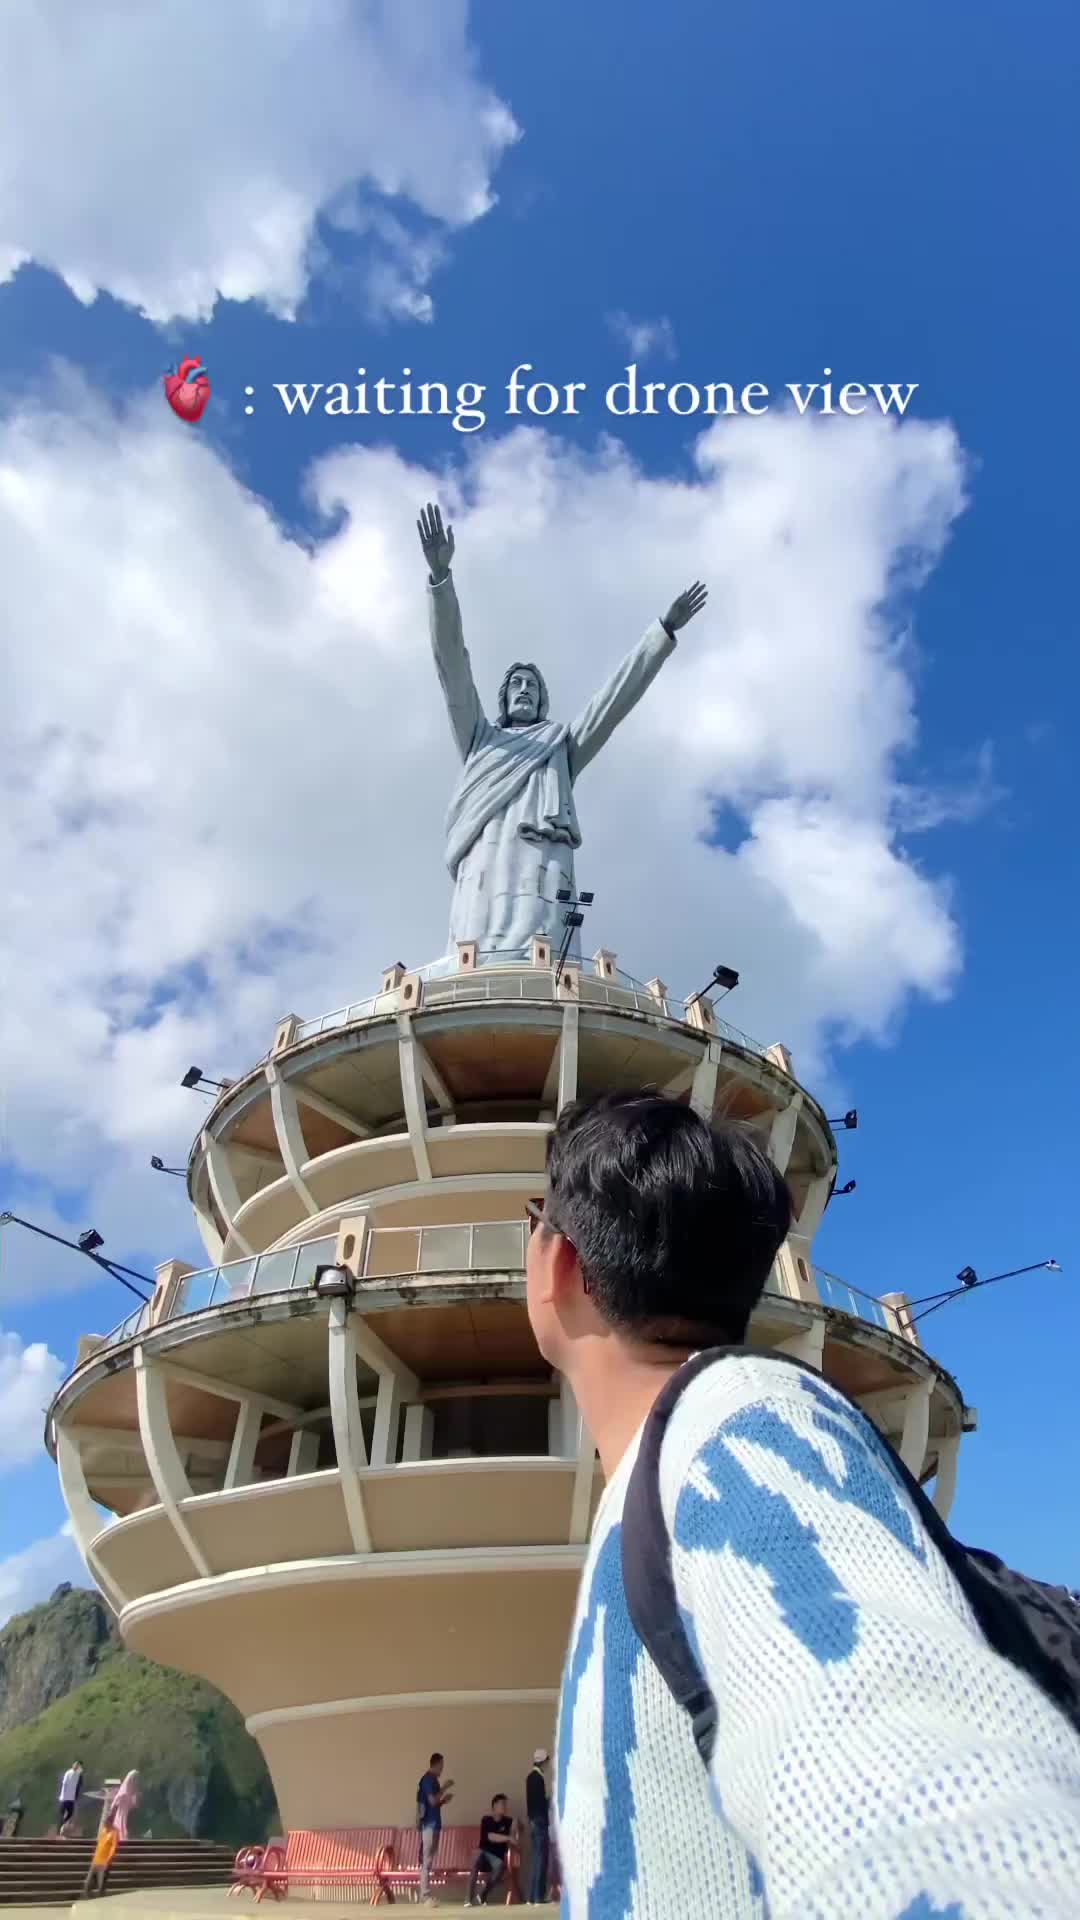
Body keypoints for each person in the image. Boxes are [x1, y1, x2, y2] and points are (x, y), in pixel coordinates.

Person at [526, 1090, 1080, 1918]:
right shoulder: (669, 1475)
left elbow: (927, 1812)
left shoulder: (742, 1432)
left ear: (559, 1266)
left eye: (533, 1217)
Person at [418, 501, 707, 957]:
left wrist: (662, 632)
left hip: (541, 856)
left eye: (533, 685)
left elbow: (613, 700)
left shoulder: (560, 747)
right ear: (502, 697)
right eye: (516, 683)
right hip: (484, 860)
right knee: (473, 943)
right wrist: (440, 581)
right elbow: (452, 665)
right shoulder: (480, 739)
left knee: (546, 946)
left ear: (543, 698)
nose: (524, 689)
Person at [464, 1792, 516, 1907]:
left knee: (500, 1865)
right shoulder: (486, 1820)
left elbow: (514, 1838)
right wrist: (507, 1837)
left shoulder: (509, 1822)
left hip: (497, 1858)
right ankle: (468, 1899)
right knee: (476, 1856)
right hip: (483, 1855)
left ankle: (482, 1895)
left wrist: (515, 1827)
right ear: (494, 1806)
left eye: (505, 1805)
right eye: (502, 1804)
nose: (504, 1807)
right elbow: (490, 1837)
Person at [415, 1752, 453, 1907]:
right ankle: (424, 1895)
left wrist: (443, 1801)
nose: (442, 1769)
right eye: (441, 1766)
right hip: (429, 1825)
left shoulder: (433, 1781)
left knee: (429, 1859)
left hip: (435, 1824)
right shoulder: (427, 1780)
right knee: (426, 1860)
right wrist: (444, 1787)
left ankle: (426, 1895)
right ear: (436, 1764)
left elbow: (435, 1803)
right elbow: (431, 1800)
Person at [524, 1751, 550, 1905]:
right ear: (542, 1762)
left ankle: (532, 1897)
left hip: (532, 1821)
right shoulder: (538, 1778)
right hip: (540, 1821)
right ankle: (539, 1896)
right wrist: (549, 1800)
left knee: (536, 1858)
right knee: (541, 1858)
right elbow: (540, 1803)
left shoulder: (529, 1778)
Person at [80, 1813, 118, 1900]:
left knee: (101, 1885)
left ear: (110, 1823)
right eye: (104, 1822)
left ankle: (100, 1899)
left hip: (104, 1863)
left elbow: (113, 1848)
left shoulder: (114, 1833)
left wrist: (107, 1861)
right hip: (96, 1861)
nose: (105, 1824)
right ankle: (86, 1897)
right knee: (87, 1882)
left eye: (106, 1822)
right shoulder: (104, 1831)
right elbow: (99, 1845)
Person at [107, 1771, 138, 1842]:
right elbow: (117, 1800)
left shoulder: (131, 1791)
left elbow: (133, 1804)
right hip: (121, 1812)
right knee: (120, 1824)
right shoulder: (124, 1790)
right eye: (133, 1779)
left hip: (126, 1813)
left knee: (122, 1825)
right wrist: (112, 1809)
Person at [57, 1760, 83, 1837]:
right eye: (75, 1764)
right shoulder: (68, 1772)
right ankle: (60, 1830)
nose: (76, 1766)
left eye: (78, 1765)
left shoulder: (78, 1774)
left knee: (70, 1813)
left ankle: (63, 1827)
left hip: (71, 1798)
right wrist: (62, 1796)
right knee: (62, 1813)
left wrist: (80, 1774)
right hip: (64, 1797)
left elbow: (79, 1785)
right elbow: (64, 1784)